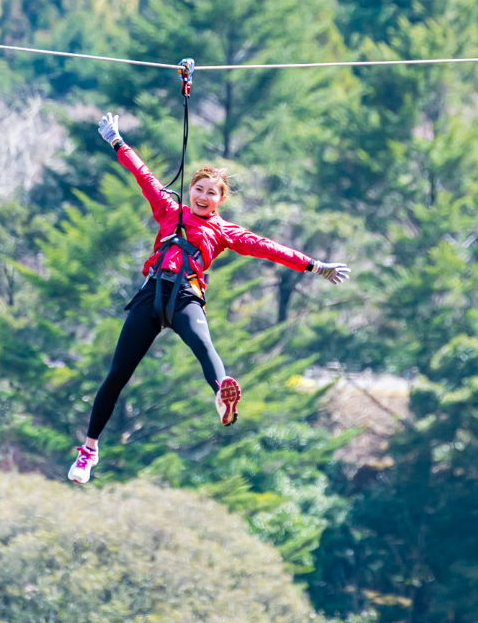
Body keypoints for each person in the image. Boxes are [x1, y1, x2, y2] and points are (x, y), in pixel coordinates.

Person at [69, 112, 351, 484]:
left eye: (211, 193)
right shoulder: (171, 211)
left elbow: (268, 248)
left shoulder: (226, 231)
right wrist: (117, 142)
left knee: (206, 349)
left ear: (220, 200)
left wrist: (314, 266)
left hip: (186, 295)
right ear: (192, 191)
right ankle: (90, 450)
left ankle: (222, 395)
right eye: (199, 189)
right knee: (118, 374)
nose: (203, 196)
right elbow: (145, 177)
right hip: (152, 293)